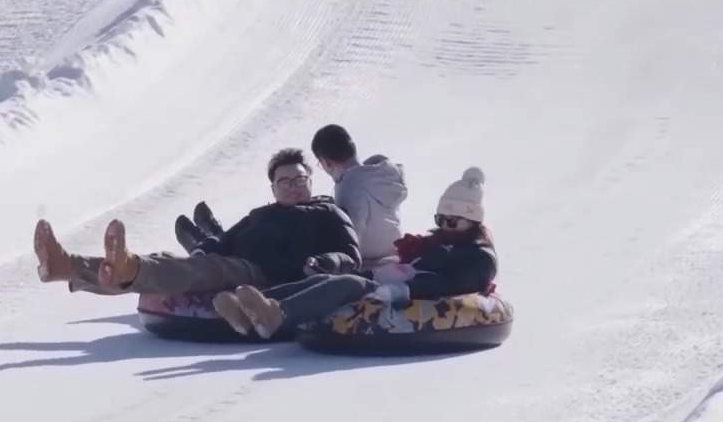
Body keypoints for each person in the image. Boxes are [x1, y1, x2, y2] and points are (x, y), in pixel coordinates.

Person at [211, 167, 497, 338]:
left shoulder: (479, 256)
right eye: (440, 220)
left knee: (348, 284)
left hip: (410, 293)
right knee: (326, 280)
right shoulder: (438, 244)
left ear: (473, 221)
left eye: (452, 221)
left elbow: (452, 282)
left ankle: (277, 315)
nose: (444, 226)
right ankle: (254, 305)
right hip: (393, 282)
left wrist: (402, 289)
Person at [32, 148, 362, 295]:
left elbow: (352, 255)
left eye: (299, 179)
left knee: (207, 270)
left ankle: (118, 268)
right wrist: (207, 247)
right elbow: (224, 240)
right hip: (236, 261)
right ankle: (66, 265)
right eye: (284, 181)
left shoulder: (327, 212)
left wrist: (326, 261)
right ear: (273, 188)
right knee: (167, 263)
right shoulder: (261, 214)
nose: (293, 187)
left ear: (311, 181)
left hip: (268, 275)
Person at [310, 124, 407, 266]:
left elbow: (351, 242)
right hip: (397, 254)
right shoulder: (385, 173)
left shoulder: (349, 187)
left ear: (326, 162)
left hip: (374, 265)